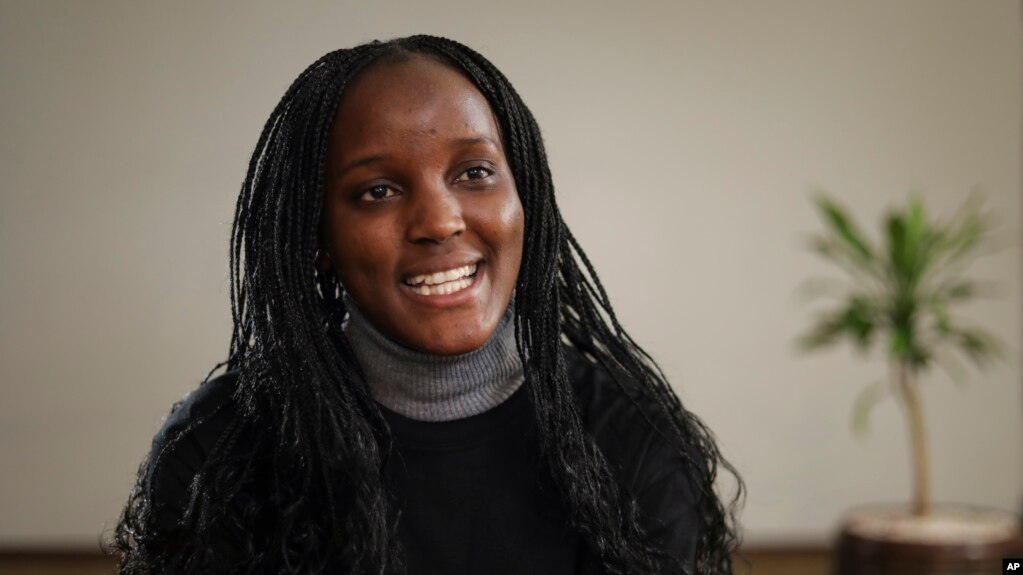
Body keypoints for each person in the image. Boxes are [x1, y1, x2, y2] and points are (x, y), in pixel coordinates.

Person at [112, 35, 743, 574]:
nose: (439, 222)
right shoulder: (218, 456)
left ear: (526, 201)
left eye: (474, 173)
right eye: (378, 190)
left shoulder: (630, 439)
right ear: (317, 240)